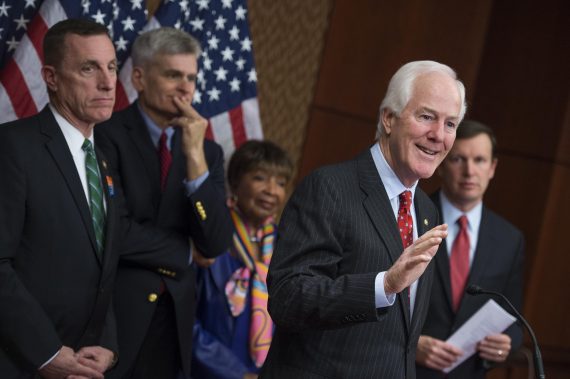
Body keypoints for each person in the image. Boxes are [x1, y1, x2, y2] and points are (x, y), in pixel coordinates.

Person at [0, 19, 188, 379]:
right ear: (51, 78)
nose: (107, 83)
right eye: (89, 68)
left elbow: (102, 267)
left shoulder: (99, 158)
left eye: (112, 67)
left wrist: (109, 347)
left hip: (82, 366)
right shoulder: (13, 147)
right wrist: (47, 353)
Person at [259, 60, 467, 379]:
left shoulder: (426, 211)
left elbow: (400, 341)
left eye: (450, 124)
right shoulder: (329, 188)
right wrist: (383, 285)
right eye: (427, 116)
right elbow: (289, 298)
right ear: (388, 118)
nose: (438, 135)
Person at [95, 27, 234, 379]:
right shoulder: (104, 135)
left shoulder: (208, 153)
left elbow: (216, 242)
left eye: (191, 77)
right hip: (108, 317)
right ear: (139, 78)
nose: (186, 87)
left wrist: (194, 160)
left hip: (171, 324)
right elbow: (114, 232)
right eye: (173, 75)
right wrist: (186, 252)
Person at [416, 120, 524, 379]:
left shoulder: (510, 239)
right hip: (406, 369)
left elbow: (514, 319)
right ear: (441, 165)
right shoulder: (413, 215)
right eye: (458, 160)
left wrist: (506, 343)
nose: (469, 172)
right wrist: (411, 345)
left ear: (493, 168)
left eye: (479, 160)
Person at [191, 140, 294, 379]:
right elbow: (184, 320)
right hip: (208, 372)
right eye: (260, 178)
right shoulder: (210, 235)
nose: (271, 190)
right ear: (235, 182)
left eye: (280, 182)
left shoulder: (286, 245)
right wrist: (235, 374)